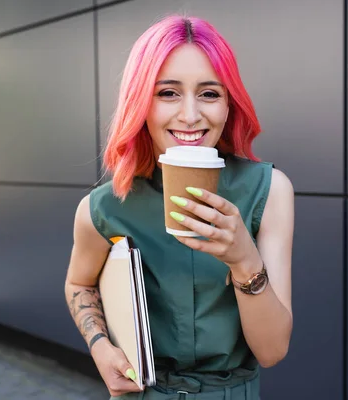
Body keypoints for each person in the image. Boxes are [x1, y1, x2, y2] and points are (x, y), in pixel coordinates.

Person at [64, 14, 294, 400]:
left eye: (209, 93)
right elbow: (79, 282)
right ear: (140, 101)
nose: (190, 115)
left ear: (228, 103)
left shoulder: (269, 191)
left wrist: (243, 259)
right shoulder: (101, 208)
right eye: (167, 93)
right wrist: (101, 347)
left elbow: (272, 352)